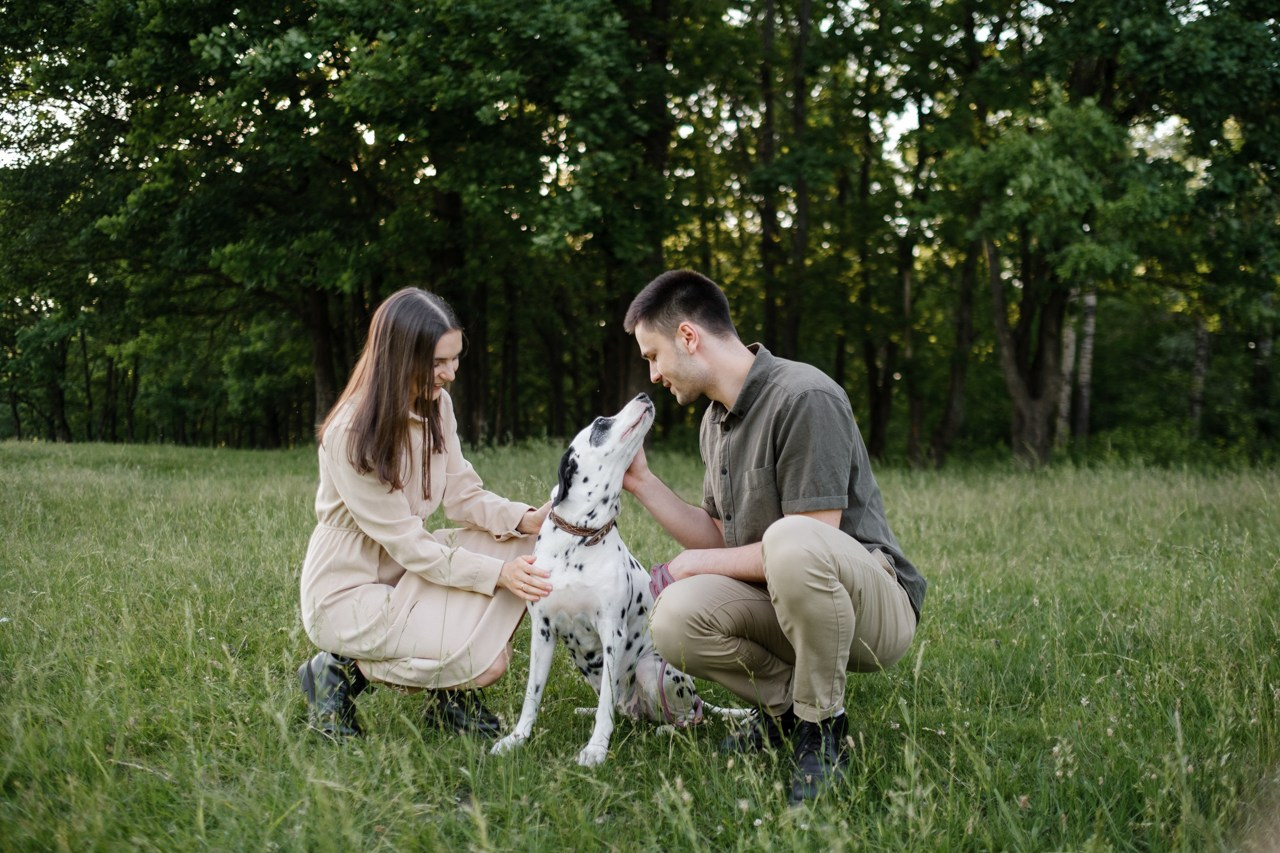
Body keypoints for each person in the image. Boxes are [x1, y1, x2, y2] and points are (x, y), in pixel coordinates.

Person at [621, 269, 927, 805]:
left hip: (871, 611)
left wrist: (692, 565)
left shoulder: (805, 396)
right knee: (674, 619)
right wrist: (642, 483)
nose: (653, 374)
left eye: (653, 356)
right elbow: (719, 537)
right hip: (788, 598)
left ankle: (824, 728)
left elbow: (813, 539)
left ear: (688, 337)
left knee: (791, 540)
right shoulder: (714, 422)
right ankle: (785, 713)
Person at [297, 287, 553, 740]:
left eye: (455, 359)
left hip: (407, 575)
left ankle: (448, 701)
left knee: (529, 543)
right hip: (350, 594)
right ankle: (338, 671)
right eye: (438, 362)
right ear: (399, 358)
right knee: (488, 664)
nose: (450, 374)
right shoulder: (350, 433)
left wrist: (527, 519)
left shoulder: (437, 405)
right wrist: (498, 575)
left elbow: (462, 495)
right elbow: (411, 546)